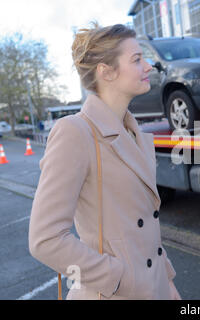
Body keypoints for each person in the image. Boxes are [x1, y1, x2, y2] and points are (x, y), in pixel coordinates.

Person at [29, 23, 180, 300]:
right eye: (137, 59)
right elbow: (44, 241)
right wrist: (116, 278)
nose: (148, 67)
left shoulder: (135, 133)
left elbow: (146, 226)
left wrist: (166, 280)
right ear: (106, 71)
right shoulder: (75, 132)